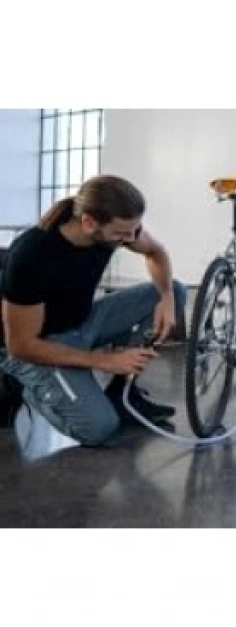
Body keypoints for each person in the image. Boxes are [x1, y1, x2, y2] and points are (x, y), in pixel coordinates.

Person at [0, 175, 187, 447]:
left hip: (83, 321)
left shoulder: (115, 233)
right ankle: (29, 385)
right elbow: (20, 345)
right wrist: (104, 361)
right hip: (37, 345)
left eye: (134, 230)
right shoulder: (32, 255)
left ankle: (122, 394)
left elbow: (155, 252)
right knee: (98, 428)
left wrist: (167, 298)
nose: (131, 239)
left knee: (174, 290)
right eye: (123, 233)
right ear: (89, 222)